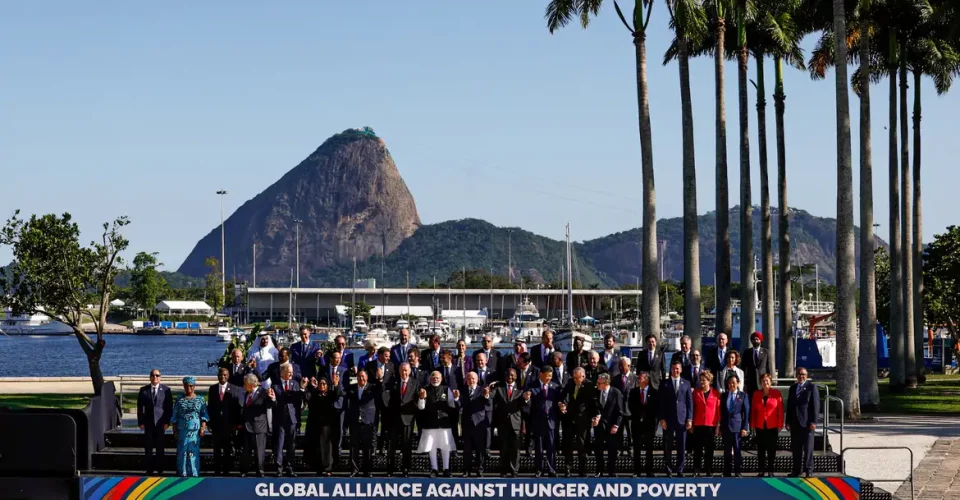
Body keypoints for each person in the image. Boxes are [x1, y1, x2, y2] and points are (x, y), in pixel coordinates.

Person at [416, 371, 458, 477]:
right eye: (433, 377)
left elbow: (452, 405)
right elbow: (421, 407)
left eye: (437, 377)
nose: (435, 379)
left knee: (445, 446)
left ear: (441, 378)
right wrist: (421, 398)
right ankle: (434, 469)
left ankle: (446, 468)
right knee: (432, 446)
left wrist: (456, 398)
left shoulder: (446, 389)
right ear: (430, 379)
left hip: (444, 423)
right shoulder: (425, 389)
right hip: (430, 423)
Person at [560, 367, 597, 477]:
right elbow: (565, 396)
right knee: (568, 445)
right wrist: (562, 404)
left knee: (582, 446)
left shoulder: (589, 385)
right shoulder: (570, 383)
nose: (575, 380)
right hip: (570, 418)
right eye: (574, 377)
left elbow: (591, 402)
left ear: (583, 376)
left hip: (583, 420)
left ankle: (582, 470)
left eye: (577, 378)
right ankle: (568, 469)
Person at [303, 376, 343, 476]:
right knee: (317, 448)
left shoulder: (330, 395)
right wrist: (310, 387)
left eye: (324, 384)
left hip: (328, 426)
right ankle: (318, 468)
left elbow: (338, 394)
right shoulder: (315, 394)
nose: (322, 386)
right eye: (320, 384)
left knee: (328, 448)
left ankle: (328, 468)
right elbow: (307, 397)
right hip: (316, 426)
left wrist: (336, 384)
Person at [659, 360, 693, 477]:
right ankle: (668, 469)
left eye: (677, 368)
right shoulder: (664, 383)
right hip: (668, 419)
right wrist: (662, 418)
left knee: (681, 446)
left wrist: (689, 418)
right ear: (671, 369)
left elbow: (689, 402)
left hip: (682, 419)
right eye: (673, 368)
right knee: (667, 446)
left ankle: (680, 469)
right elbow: (661, 403)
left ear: (681, 369)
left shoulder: (686, 383)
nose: (675, 370)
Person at [493, 368, 529, 477]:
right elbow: (492, 400)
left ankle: (514, 471)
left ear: (516, 377)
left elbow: (524, 407)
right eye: (508, 375)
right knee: (503, 449)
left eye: (512, 376)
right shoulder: (499, 389)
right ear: (505, 376)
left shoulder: (521, 391)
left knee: (515, 450)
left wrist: (526, 399)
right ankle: (503, 471)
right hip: (503, 423)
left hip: (516, 424)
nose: (510, 378)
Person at [269, 363, 302, 477]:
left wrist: (302, 389)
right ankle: (279, 468)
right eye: (289, 372)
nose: (291, 374)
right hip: (279, 419)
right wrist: (273, 399)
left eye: (292, 372)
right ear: (282, 372)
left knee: (291, 444)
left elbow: (298, 401)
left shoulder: (295, 384)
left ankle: (290, 467)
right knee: (279, 444)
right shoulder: (275, 386)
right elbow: (272, 404)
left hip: (292, 419)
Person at [171, 376, 208, 477]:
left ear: (194, 386)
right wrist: (174, 431)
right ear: (184, 386)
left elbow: (204, 416)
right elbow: (174, 416)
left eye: (191, 386)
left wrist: (203, 428)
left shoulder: (200, 400)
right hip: (182, 431)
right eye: (186, 386)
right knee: (182, 452)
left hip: (195, 432)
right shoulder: (179, 399)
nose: (189, 388)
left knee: (193, 453)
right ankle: (182, 473)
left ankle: (194, 473)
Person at [528, 365, 562, 477]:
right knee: (539, 448)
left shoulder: (555, 387)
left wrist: (561, 405)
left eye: (551, 376)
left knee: (551, 447)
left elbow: (559, 401)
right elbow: (527, 404)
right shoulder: (532, 386)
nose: (549, 378)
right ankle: (539, 469)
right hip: (538, 421)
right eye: (547, 375)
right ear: (541, 374)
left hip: (551, 421)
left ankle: (551, 469)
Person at [238, 373, 273, 477]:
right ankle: (244, 471)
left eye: (245, 383)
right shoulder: (246, 394)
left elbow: (271, 405)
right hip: (247, 427)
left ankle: (260, 471)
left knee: (259, 451)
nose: (244, 385)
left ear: (252, 384)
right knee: (246, 451)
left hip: (259, 427)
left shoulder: (263, 392)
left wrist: (272, 398)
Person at [137, 369, 172, 475]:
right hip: (148, 423)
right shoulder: (143, 390)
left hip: (161, 423)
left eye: (157, 375)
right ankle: (149, 470)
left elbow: (169, 407)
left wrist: (167, 422)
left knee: (160, 447)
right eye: (153, 375)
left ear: (160, 377)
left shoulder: (166, 390)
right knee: (148, 448)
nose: (155, 377)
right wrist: (140, 422)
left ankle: (160, 470)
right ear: (150, 377)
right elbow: (140, 407)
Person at [786, 367, 819, 478]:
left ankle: (808, 470)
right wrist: (788, 421)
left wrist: (814, 421)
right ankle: (796, 470)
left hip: (807, 423)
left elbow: (815, 406)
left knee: (808, 448)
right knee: (796, 449)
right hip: (795, 423)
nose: (801, 376)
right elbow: (789, 406)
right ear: (796, 375)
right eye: (799, 374)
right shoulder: (793, 388)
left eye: (803, 374)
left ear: (807, 375)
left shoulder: (811, 387)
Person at [344, 370, 378, 477]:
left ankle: (367, 470)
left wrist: (380, 378)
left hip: (367, 422)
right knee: (354, 447)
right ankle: (355, 469)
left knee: (367, 448)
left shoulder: (372, 388)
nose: (361, 379)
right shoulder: (352, 388)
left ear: (367, 377)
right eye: (359, 377)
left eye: (363, 377)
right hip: (355, 422)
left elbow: (381, 388)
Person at [458, 371, 492, 477]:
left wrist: (486, 395)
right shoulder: (463, 391)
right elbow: (459, 405)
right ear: (466, 380)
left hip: (479, 424)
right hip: (467, 423)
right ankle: (466, 470)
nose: (471, 380)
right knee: (467, 450)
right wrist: (456, 398)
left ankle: (479, 469)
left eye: (473, 379)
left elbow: (489, 403)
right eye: (469, 379)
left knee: (480, 449)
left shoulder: (482, 390)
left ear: (477, 380)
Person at [388, 362, 420, 476]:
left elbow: (417, 399)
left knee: (406, 445)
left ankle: (405, 468)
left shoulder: (415, 383)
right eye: (402, 370)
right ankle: (390, 468)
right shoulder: (394, 383)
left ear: (410, 371)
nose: (404, 373)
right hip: (395, 418)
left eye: (406, 370)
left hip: (408, 418)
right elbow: (389, 399)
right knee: (392, 445)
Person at [751, 373, 784, 477]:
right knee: (761, 450)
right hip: (760, 426)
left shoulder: (776, 393)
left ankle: (770, 470)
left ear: (770, 382)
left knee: (771, 450)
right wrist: (752, 424)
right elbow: (753, 411)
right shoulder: (756, 394)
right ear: (760, 383)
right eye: (763, 381)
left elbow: (780, 411)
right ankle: (761, 470)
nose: (765, 383)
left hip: (772, 426)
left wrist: (780, 425)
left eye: (767, 381)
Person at [592, 373, 623, 478]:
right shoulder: (596, 392)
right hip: (599, 426)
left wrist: (616, 425)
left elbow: (620, 411)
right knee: (598, 449)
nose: (597, 384)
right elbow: (593, 408)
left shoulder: (616, 393)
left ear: (606, 383)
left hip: (611, 426)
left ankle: (611, 471)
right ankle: (599, 470)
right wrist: (594, 418)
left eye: (599, 383)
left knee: (612, 449)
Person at [628, 371, 659, 477]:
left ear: (647, 380)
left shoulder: (654, 392)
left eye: (640, 378)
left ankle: (649, 471)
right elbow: (630, 406)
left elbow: (656, 409)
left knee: (649, 449)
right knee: (637, 448)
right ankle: (637, 471)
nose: (638, 380)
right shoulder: (633, 392)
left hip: (649, 424)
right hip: (636, 424)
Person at [690, 371, 720, 477]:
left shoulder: (716, 394)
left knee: (709, 450)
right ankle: (696, 470)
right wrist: (692, 424)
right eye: (701, 380)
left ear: (709, 381)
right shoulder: (696, 393)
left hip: (710, 425)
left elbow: (718, 411)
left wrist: (718, 426)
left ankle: (709, 470)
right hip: (698, 424)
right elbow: (692, 409)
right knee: (697, 449)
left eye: (704, 380)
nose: (702, 382)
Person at [208, 367, 238, 476]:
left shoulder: (235, 389)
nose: (223, 377)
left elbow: (236, 408)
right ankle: (217, 470)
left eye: (225, 375)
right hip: (216, 425)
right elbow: (210, 406)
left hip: (229, 425)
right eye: (221, 375)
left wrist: (235, 424)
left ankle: (226, 471)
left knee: (227, 449)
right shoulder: (213, 389)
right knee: (216, 449)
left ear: (228, 376)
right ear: (218, 376)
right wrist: (209, 422)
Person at [720, 373, 750, 477]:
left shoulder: (743, 395)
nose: (731, 385)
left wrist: (745, 427)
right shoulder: (723, 396)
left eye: (733, 382)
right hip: (726, 427)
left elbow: (746, 412)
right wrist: (720, 427)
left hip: (737, 428)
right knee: (727, 452)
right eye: (729, 383)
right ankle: (727, 472)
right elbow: (721, 412)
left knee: (737, 451)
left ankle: (738, 471)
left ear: (738, 383)